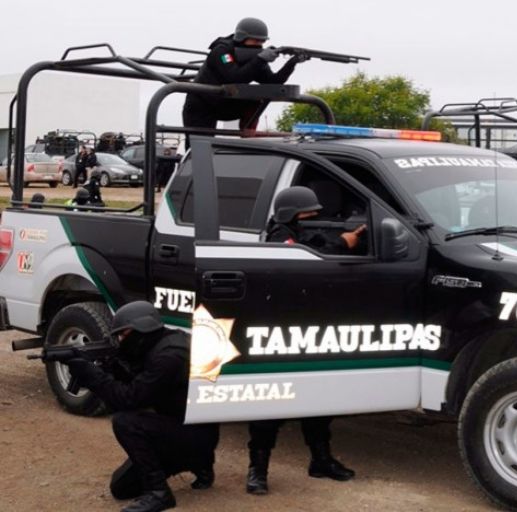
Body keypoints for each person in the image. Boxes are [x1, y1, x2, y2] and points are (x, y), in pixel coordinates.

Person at [246, 186, 362, 495]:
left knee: (319, 398)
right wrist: (342, 243)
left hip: (310, 329)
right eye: (308, 216)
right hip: (280, 333)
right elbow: (300, 260)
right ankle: (257, 470)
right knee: (268, 407)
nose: (313, 219)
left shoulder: (303, 235)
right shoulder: (279, 238)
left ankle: (320, 460)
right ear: (291, 216)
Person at [64, 301, 220, 512]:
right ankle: (201, 465)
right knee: (122, 487)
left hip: (195, 436)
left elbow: (129, 399)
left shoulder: (168, 357)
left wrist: (94, 377)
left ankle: (159, 493)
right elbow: (144, 384)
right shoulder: (168, 341)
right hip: (193, 430)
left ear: (142, 329)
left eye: (124, 334)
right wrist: (113, 368)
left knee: (126, 423)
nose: (121, 341)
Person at [182, 17, 309, 136]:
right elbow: (234, 77)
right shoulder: (222, 51)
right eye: (256, 40)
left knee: (257, 99)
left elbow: (273, 82)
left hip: (224, 104)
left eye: (262, 41)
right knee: (198, 146)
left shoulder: (255, 56)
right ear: (242, 37)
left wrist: (292, 63)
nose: (259, 44)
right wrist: (260, 59)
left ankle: (248, 135)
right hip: (201, 106)